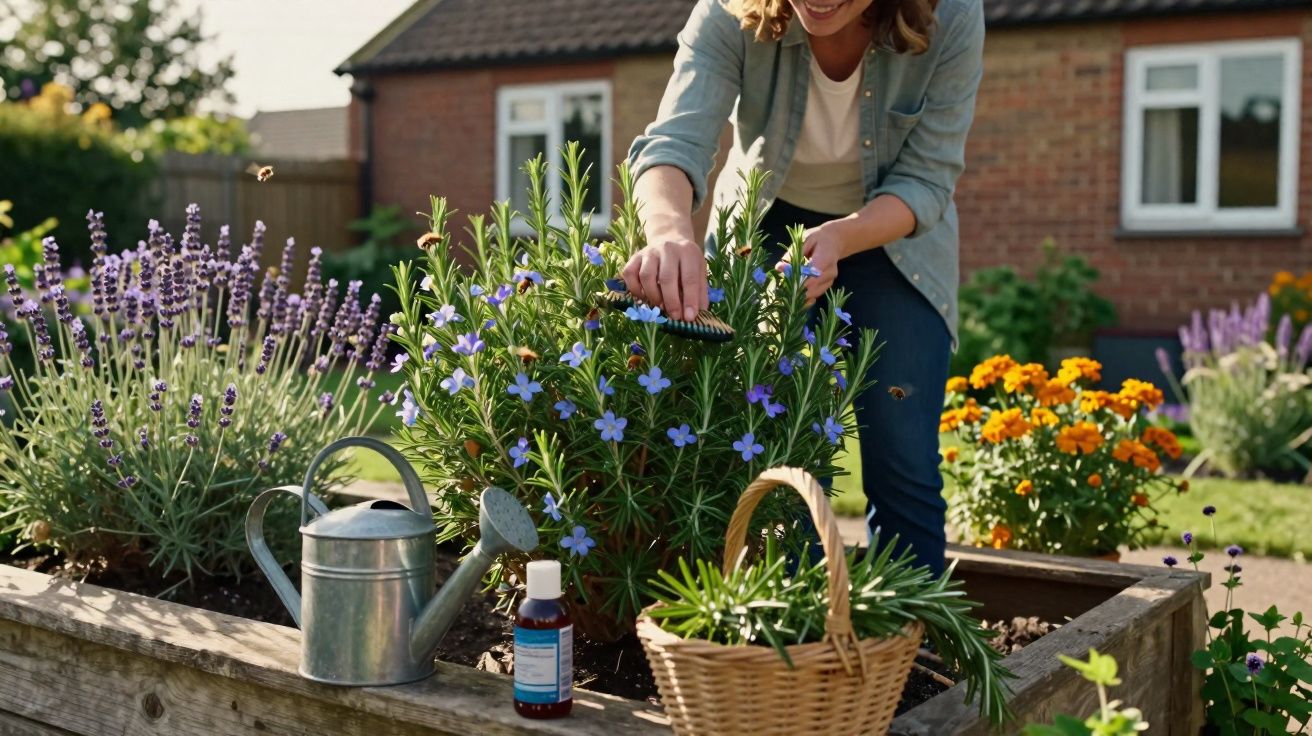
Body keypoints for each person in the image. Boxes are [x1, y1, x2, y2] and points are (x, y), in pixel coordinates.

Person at [623, 0, 985, 575]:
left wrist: (843, 237)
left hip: (892, 237)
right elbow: (674, 143)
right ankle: (789, 641)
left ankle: (917, 651)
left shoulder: (952, 15)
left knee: (904, 460)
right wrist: (668, 231)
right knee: (777, 456)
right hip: (762, 231)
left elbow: (927, 180)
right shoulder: (728, 12)